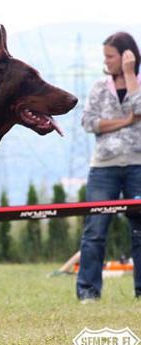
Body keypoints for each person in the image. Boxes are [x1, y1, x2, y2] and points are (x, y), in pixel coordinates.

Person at [77, 32, 141, 302]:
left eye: (110, 55)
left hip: (138, 166)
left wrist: (130, 75)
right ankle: (88, 291)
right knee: (95, 229)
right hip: (104, 168)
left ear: (127, 55)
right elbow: (90, 122)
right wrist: (127, 121)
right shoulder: (99, 88)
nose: (106, 61)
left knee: (139, 230)